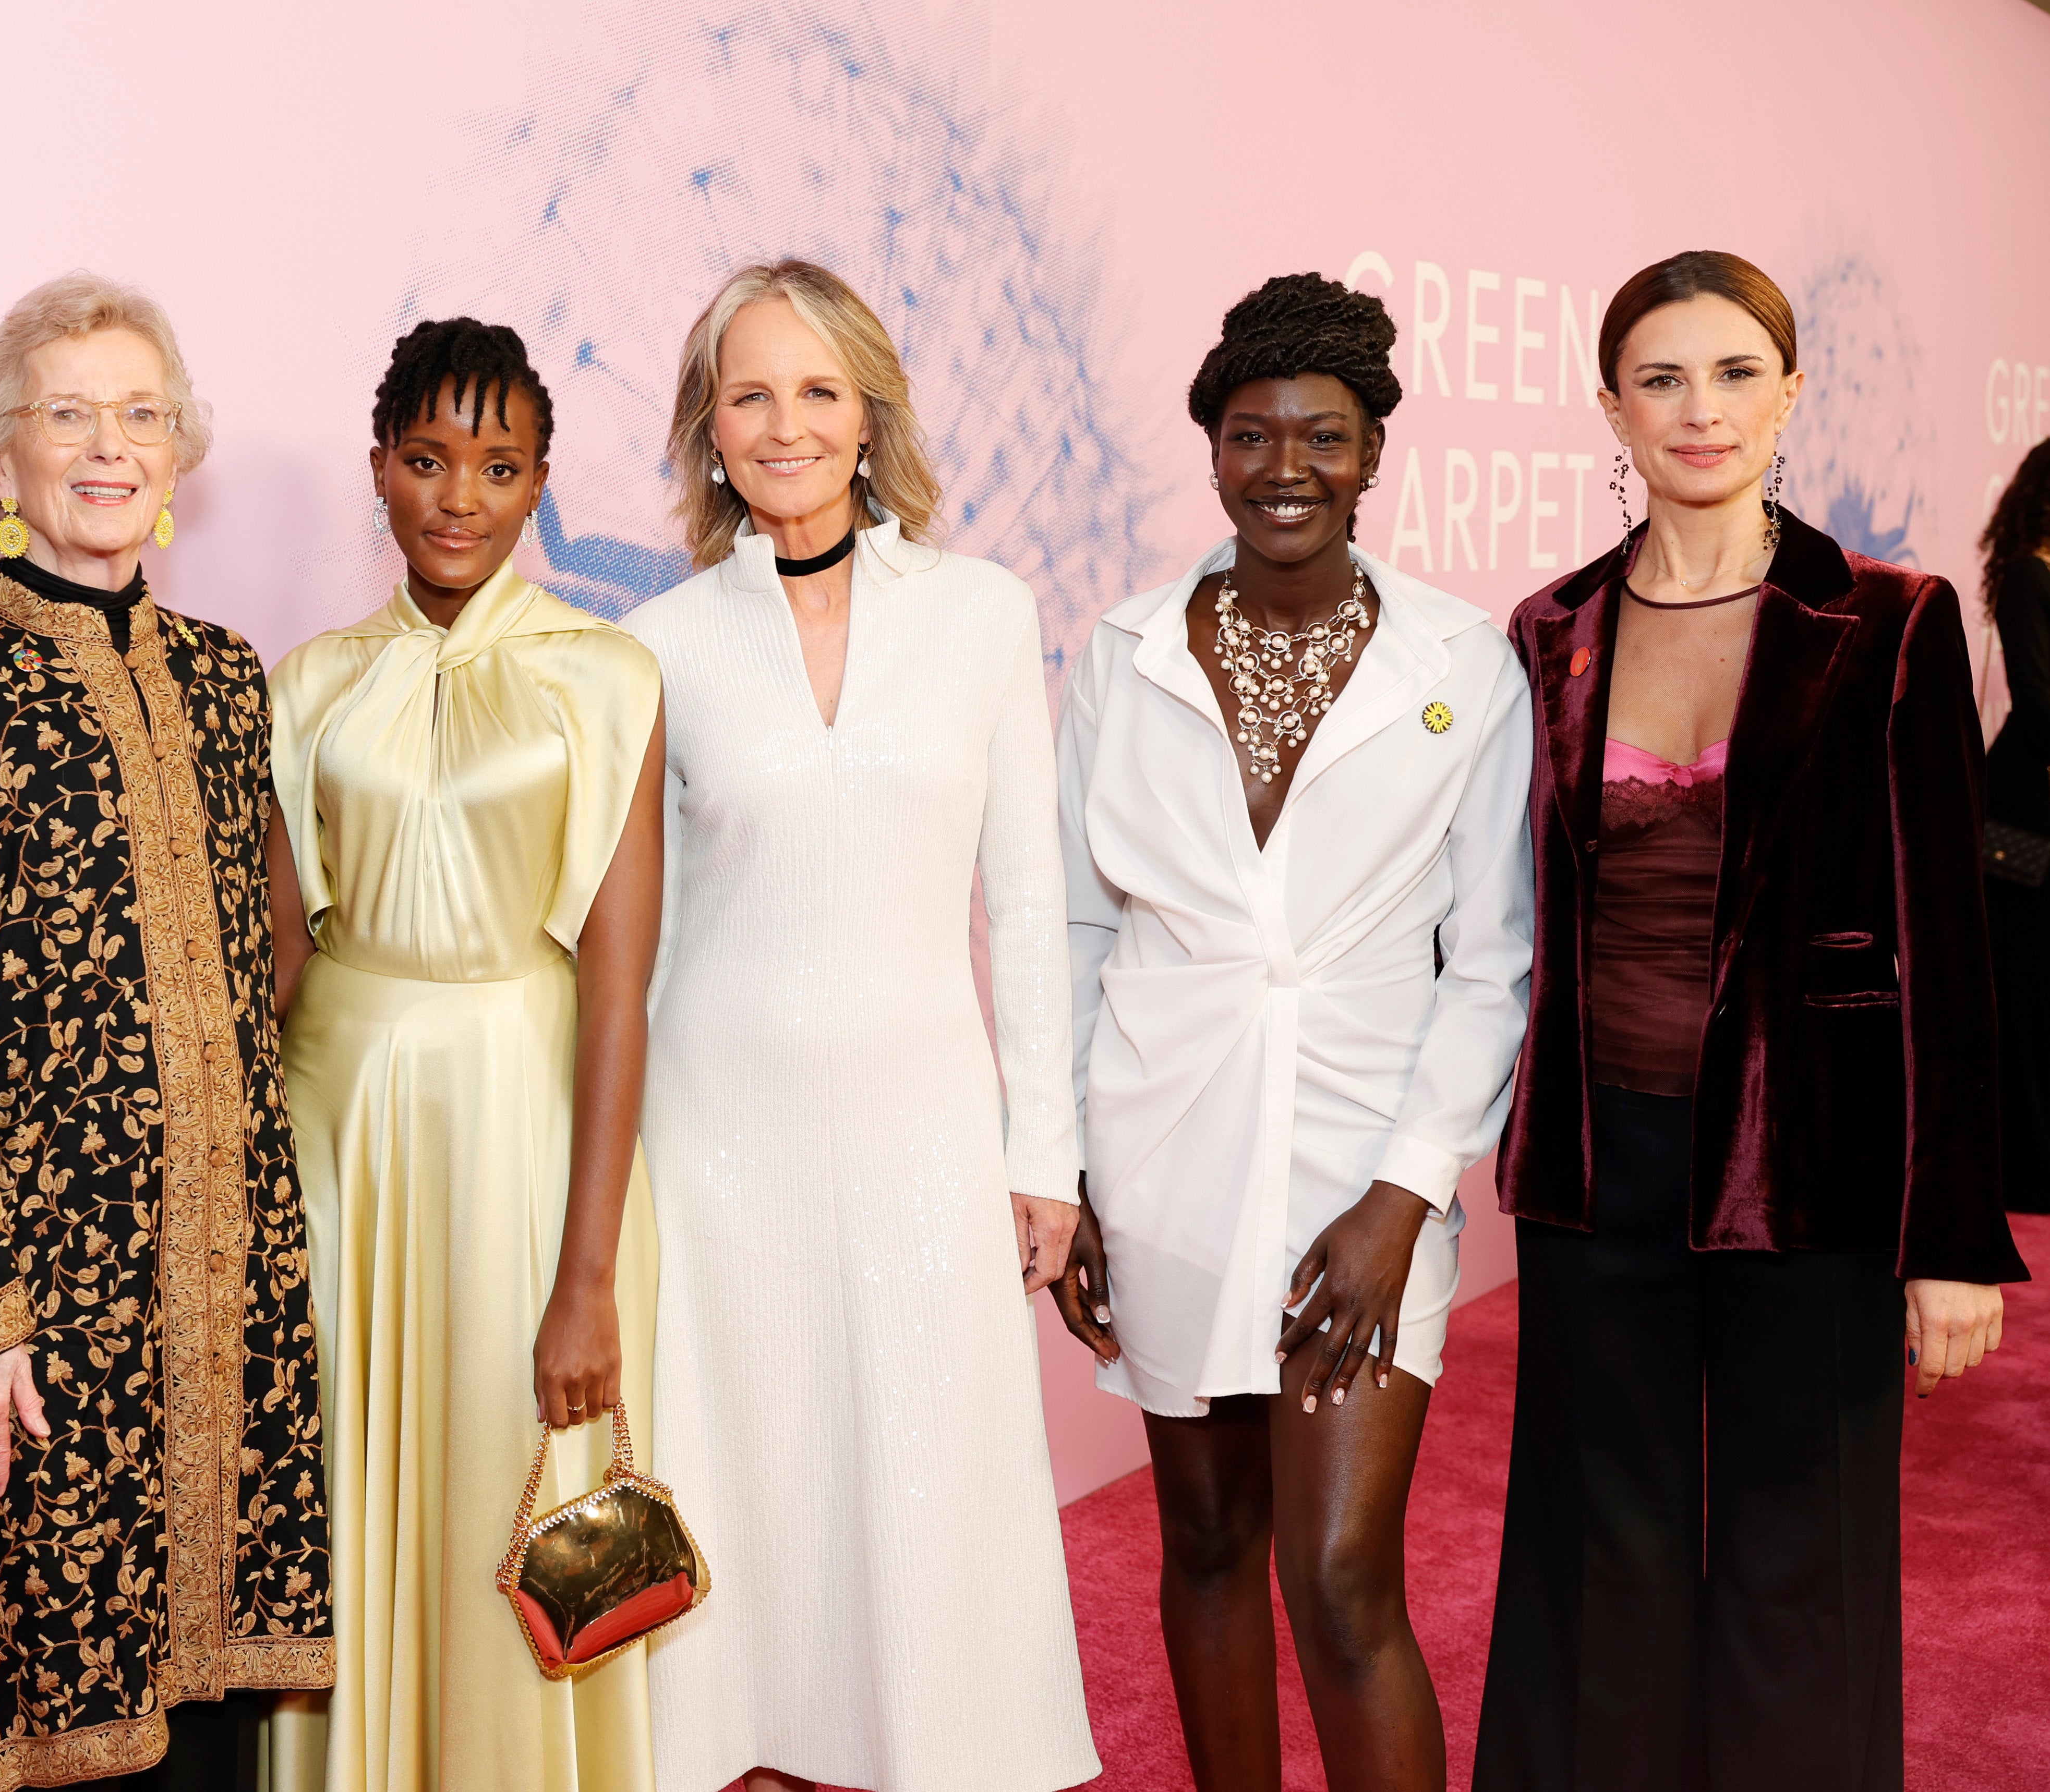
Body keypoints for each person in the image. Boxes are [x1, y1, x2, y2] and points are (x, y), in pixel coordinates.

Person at [1475, 250, 2028, 1792]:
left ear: (1788, 396)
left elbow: (1947, 948)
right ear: (1609, 407)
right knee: (1608, 1549)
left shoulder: (1888, 620)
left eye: (1731, 374)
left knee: (1805, 1565)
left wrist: (1950, 1236)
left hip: (1815, 1174)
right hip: (1601, 1168)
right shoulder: (1547, 628)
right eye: (1659, 378)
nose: (1696, 410)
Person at [1051, 272, 1534, 1791]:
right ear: (1210, 449)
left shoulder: (1460, 665)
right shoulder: (1119, 653)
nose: (1284, 470)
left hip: (1358, 1174)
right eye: (1251, 436)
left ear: (1372, 453)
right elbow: (1071, 928)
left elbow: (1493, 959)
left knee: (1336, 1575)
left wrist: (1406, 1193)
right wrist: (1063, 1171)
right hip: (1161, 1152)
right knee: (1202, 1540)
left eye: (1320, 437)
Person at [627, 259, 1098, 1792]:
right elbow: (644, 933)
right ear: (709, 426)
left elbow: (1027, 901)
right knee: (741, 1457)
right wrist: (615, 1164)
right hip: (710, 1125)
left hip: (922, 1118)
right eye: (749, 394)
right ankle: (744, 1748)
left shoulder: (978, 613)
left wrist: (1046, 1150)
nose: (784, 425)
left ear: (868, 413)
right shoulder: (659, 639)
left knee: (927, 1460)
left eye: (817, 391)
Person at [0, 274, 333, 1792]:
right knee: (47, 1696)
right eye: (65, 414)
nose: (108, 446)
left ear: (179, 455)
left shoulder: (222, 677)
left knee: (207, 1708)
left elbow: (263, 953)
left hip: (221, 1268)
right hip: (32, 1301)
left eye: (140, 414)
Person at [272, 319, 667, 1791]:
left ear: (539, 484)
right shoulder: (304, 681)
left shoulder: (607, 674)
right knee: (343, 1498)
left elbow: (619, 991)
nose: (458, 496)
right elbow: (281, 958)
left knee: (512, 1494)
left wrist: (587, 1275)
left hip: (524, 1127)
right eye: (428, 460)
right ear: (378, 467)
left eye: (497, 467)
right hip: (338, 1135)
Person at [1981, 438, 2050, 1214]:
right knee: (2025, 995)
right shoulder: (2030, 575)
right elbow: (2038, 703)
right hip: (2025, 817)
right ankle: (2023, 1172)